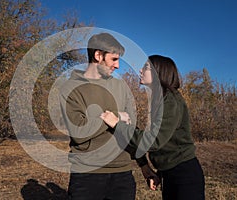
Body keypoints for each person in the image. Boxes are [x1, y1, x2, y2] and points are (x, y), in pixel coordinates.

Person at [59, 32, 154, 200]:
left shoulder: (121, 87)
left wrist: (144, 166)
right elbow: (79, 132)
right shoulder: (70, 88)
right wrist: (114, 118)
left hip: (122, 175)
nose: (117, 66)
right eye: (114, 59)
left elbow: (130, 132)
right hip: (86, 175)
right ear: (98, 55)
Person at [100, 55, 205, 200]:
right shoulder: (159, 100)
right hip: (169, 172)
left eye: (146, 67)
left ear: (158, 73)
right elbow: (162, 141)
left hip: (184, 175)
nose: (140, 70)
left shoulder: (171, 101)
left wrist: (117, 124)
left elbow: (153, 141)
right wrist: (157, 172)